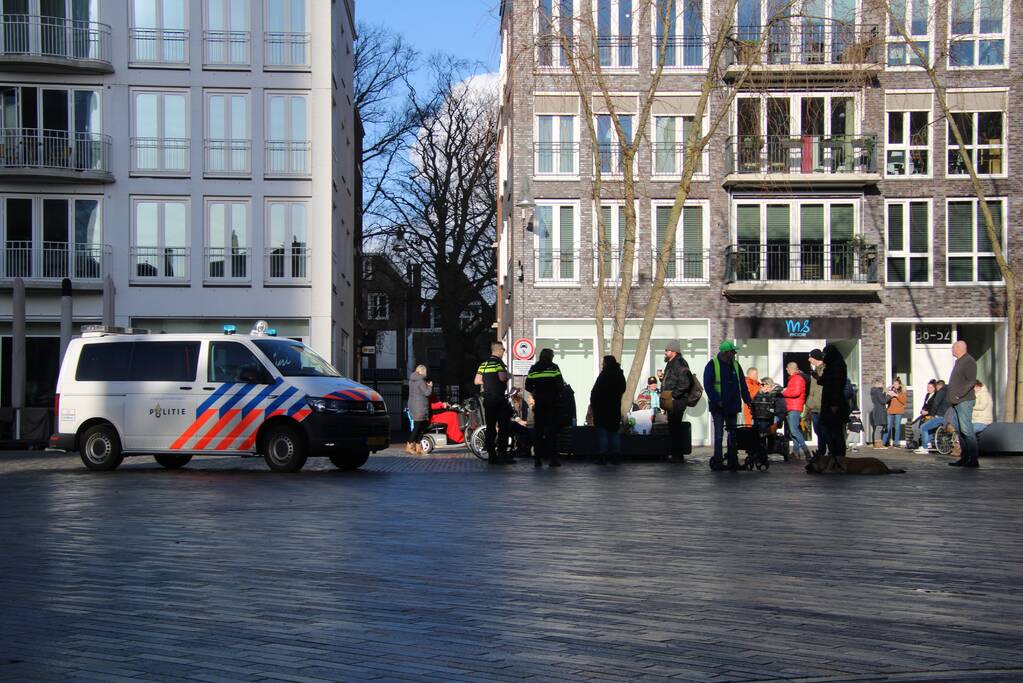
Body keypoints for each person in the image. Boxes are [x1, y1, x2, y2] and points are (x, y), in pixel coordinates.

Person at [703, 340, 752, 470]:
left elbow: (743, 385)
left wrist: (748, 401)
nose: (735, 353)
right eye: (732, 351)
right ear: (725, 353)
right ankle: (718, 461)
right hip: (719, 407)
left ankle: (732, 460)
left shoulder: (736, 365)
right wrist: (716, 400)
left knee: (733, 434)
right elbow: (708, 385)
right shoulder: (712, 365)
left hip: (732, 405)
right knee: (719, 435)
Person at [524, 348, 564, 468]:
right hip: (552, 404)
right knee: (552, 432)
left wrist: (537, 392)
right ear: (551, 356)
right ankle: (553, 459)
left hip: (540, 404)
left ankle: (537, 459)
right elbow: (560, 385)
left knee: (539, 431)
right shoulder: (554, 367)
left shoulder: (534, 368)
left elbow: (528, 385)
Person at [475, 342, 513, 464]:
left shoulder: (484, 365)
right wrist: (508, 375)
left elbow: (477, 381)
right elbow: (502, 378)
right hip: (499, 400)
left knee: (490, 427)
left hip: (488, 400)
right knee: (503, 427)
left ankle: (491, 455)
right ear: (499, 350)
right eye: (503, 349)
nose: (504, 352)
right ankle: (502, 454)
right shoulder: (498, 363)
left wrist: (488, 382)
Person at [947, 340, 979, 468]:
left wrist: (959, 394)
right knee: (959, 430)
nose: (952, 350)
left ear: (959, 348)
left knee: (967, 430)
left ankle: (973, 459)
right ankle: (965, 457)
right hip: (955, 402)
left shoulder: (969, 361)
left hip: (964, 401)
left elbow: (971, 381)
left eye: (953, 348)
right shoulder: (959, 362)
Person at [590, 355, 627, 465]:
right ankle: (616, 456)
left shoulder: (604, 375)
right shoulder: (619, 375)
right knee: (614, 432)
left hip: (602, 409)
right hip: (614, 408)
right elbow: (623, 388)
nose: (602, 365)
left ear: (606, 364)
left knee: (603, 433)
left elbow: (595, 391)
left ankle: (602, 456)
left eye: (603, 363)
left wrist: (593, 404)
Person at [661, 341, 693, 462]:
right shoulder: (671, 363)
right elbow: (673, 379)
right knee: (673, 426)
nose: (665, 352)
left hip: (677, 400)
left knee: (675, 427)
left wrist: (674, 395)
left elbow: (685, 382)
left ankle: (677, 455)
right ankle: (675, 454)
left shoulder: (679, 363)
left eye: (667, 350)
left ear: (674, 351)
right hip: (672, 399)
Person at [819, 345, 852, 458]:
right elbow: (824, 381)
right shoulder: (831, 365)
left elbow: (837, 385)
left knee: (835, 431)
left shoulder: (837, 365)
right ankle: (834, 453)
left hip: (833, 402)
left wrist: (834, 403)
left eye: (825, 354)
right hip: (830, 401)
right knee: (829, 429)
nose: (824, 357)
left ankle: (838, 455)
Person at [780, 362, 811, 459]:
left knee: (794, 431)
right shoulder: (795, 378)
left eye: (787, 368)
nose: (786, 370)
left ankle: (806, 451)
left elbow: (796, 392)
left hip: (794, 407)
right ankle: (795, 453)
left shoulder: (797, 378)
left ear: (791, 368)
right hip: (792, 407)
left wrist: (784, 392)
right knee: (793, 431)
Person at [916, 380, 950, 453]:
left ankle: (925, 447)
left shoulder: (941, 392)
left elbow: (935, 404)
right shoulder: (949, 392)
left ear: (938, 386)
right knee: (929, 427)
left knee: (923, 427)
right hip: (947, 416)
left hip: (940, 416)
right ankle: (928, 444)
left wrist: (932, 415)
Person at [406, 365, 432, 455]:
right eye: (425, 371)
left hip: (413, 405)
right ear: (422, 371)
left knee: (419, 427)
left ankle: (418, 447)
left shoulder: (411, 380)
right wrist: (430, 386)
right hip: (420, 407)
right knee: (418, 428)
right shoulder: (421, 381)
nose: (426, 373)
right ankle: (409, 446)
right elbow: (427, 393)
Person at [806, 349, 826, 454]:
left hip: (822, 406)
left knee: (823, 431)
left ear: (816, 358)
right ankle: (821, 451)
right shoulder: (815, 370)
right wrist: (809, 404)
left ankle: (823, 451)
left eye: (810, 357)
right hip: (814, 406)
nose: (809, 359)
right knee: (818, 431)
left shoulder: (824, 369)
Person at [508, 389, 534, 457]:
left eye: (529, 397)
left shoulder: (533, 408)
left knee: (513, 424)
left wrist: (522, 422)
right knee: (512, 424)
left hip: (530, 428)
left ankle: (518, 449)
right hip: (527, 426)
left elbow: (531, 422)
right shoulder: (530, 407)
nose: (528, 399)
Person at [884, 377, 907, 448]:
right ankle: (885, 441)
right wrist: (889, 390)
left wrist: (896, 395)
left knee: (897, 427)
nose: (895, 385)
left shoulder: (902, 391)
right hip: (890, 410)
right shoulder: (891, 390)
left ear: (899, 385)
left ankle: (896, 442)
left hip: (898, 411)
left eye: (896, 384)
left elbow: (903, 400)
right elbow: (885, 398)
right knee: (888, 426)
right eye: (894, 384)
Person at [870, 379, 888, 448]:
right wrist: (889, 395)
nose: (883, 385)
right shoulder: (877, 391)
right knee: (879, 428)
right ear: (879, 384)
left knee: (879, 428)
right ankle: (877, 444)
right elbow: (883, 401)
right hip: (880, 411)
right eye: (882, 384)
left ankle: (879, 444)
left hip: (877, 410)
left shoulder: (874, 391)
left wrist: (883, 392)